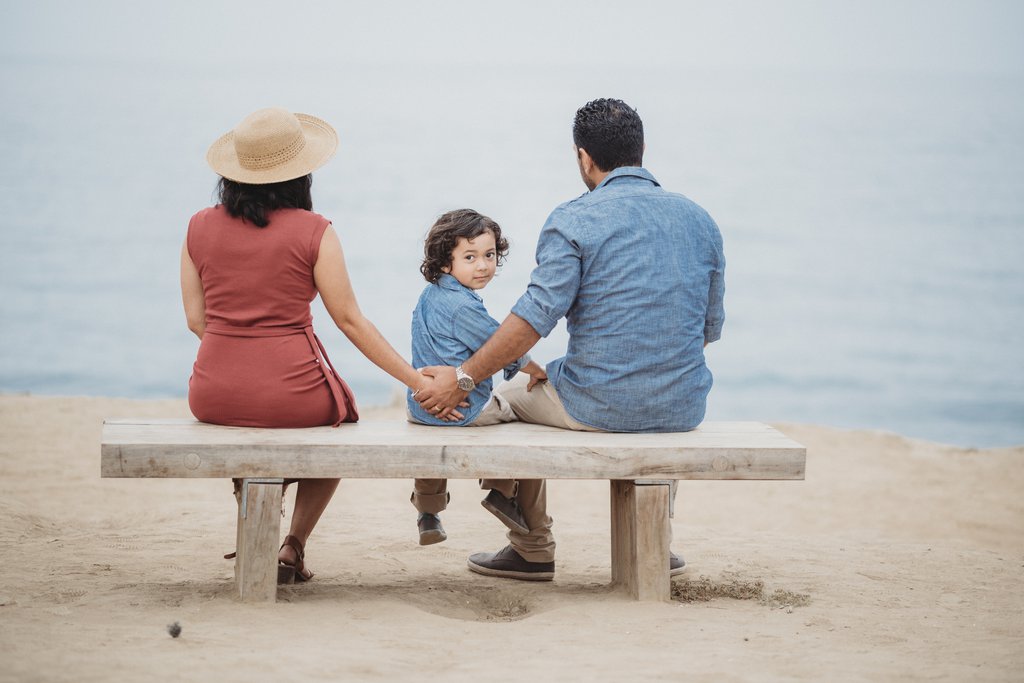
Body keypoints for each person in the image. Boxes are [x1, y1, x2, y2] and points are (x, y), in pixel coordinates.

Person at [415, 98, 726, 581]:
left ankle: (532, 548)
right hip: (683, 405)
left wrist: (464, 376)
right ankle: (654, 544)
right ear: (642, 149)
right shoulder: (700, 220)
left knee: (513, 397)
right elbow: (706, 331)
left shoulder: (574, 219)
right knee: (657, 390)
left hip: (595, 404)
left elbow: (530, 321)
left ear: (584, 157)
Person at [181, 107, 434, 584]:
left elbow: (197, 320)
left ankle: (254, 516)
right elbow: (349, 321)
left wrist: (238, 355)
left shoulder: (197, 227)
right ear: (301, 172)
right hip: (292, 394)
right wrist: (414, 380)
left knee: (247, 424)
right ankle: (292, 545)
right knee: (341, 423)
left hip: (212, 394)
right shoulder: (315, 231)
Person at [405, 209, 547, 546]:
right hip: (466, 407)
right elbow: (502, 346)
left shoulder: (429, 297)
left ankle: (428, 513)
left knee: (431, 444)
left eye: (490, 255)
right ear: (444, 262)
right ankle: (502, 490)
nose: (483, 265)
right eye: (470, 257)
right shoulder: (463, 306)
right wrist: (536, 370)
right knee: (515, 409)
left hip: (421, 406)